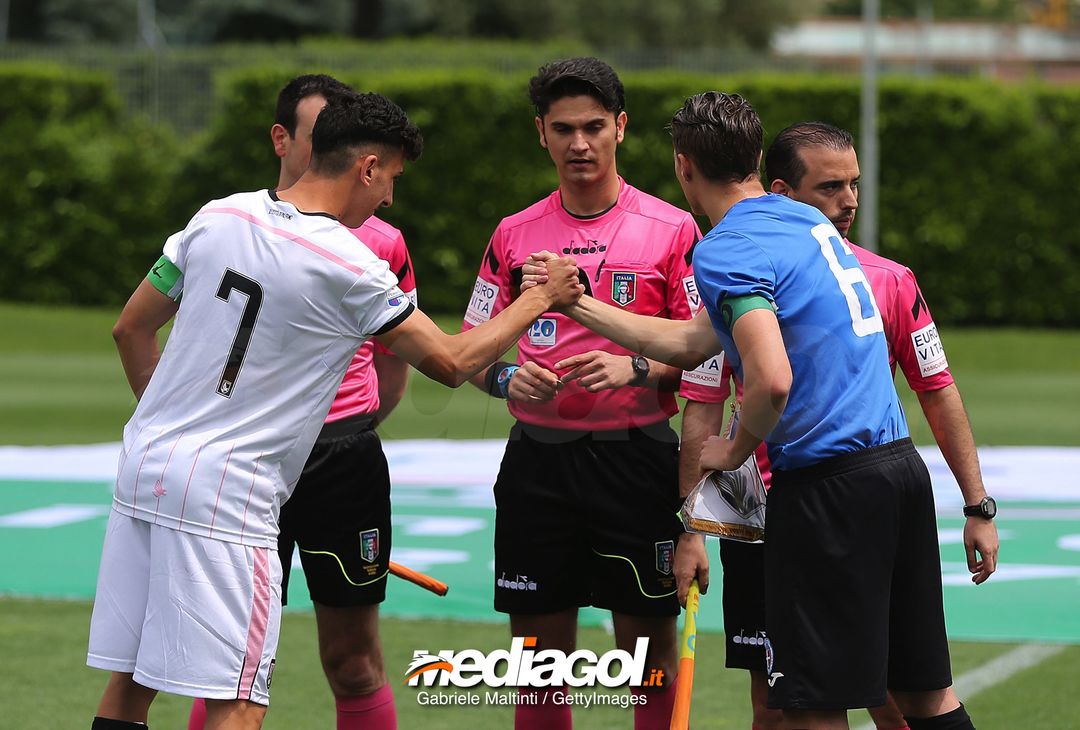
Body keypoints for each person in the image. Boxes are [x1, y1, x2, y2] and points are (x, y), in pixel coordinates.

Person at [87, 91, 583, 730]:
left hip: (144, 469)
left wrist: (181, 432)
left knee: (132, 683)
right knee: (239, 700)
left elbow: (131, 328)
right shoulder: (350, 262)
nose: (389, 200)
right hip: (229, 496)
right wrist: (538, 297)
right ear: (367, 167)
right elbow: (453, 364)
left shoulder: (218, 215)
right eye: (392, 180)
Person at [533, 91, 997, 730]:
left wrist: (734, 449)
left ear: (682, 165)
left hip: (826, 488)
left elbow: (771, 381)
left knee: (810, 707)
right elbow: (697, 339)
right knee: (922, 695)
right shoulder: (803, 220)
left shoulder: (725, 249)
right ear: (756, 160)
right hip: (895, 472)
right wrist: (577, 303)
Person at [678, 120, 1001, 730]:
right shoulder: (753, 269)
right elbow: (700, 386)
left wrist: (977, 505)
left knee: (848, 700)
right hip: (764, 509)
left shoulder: (887, 278)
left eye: (854, 185)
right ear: (781, 191)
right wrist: (691, 521)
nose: (849, 201)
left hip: (823, 496)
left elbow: (937, 389)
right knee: (782, 700)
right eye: (832, 187)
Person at [461, 57, 703, 729]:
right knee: (539, 676)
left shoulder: (672, 229)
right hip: (540, 463)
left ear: (621, 128)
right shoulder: (514, 233)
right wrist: (508, 377)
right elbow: (470, 347)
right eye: (563, 129)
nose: (579, 144)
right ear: (541, 133)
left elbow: (707, 351)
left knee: (648, 672)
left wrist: (641, 368)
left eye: (594, 126)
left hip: (639, 461)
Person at [185, 74, 416, 730]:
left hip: (342, 462)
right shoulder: (232, 224)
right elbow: (148, 331)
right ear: (284, 140)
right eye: (317, 136)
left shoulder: (381, 241)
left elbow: (399, 362)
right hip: (247, 463)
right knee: (227, 660)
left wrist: (355, 429)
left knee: (352, 658)